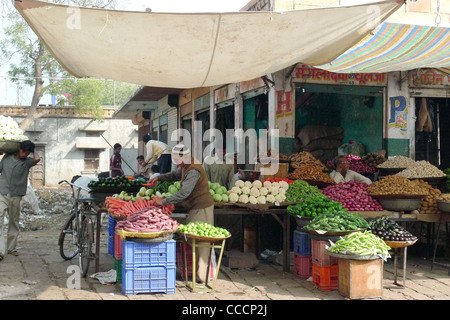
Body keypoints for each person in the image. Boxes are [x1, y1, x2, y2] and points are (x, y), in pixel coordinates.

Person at [149, 144, 214, 282]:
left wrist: (164, 201)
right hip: (194, 207)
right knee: (194, 239)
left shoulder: (193, 170)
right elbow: (174, 175)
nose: (176, 163)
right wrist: (158, 178)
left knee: (202, 241)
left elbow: (184, 193)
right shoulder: (186, 166)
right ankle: (198, 273)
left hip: (201, 207)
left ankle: (202, 277)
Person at [0, 140, 40, 260]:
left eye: (27, 153)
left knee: (14, 222)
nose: (25, 155)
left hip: (16, 195)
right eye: (24, 152)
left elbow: (37, 159)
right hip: (2, 193)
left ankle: (11, 248)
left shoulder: (27, 162)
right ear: (19, 149)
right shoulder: (7, 158)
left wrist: (33, 150)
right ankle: (0, 251)